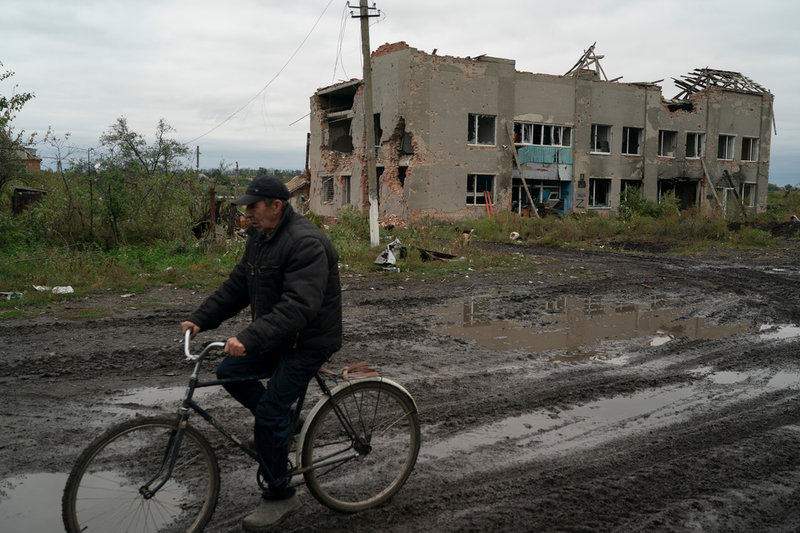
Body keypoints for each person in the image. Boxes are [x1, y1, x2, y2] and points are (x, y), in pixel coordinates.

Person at [181, 176, 342, 532]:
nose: (247, 213)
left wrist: (250, 338)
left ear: (276, 206)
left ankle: (281, 495)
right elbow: (238, 286)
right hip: (280, 337)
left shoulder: (307, 242)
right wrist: (200, 319)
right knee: (228, 372)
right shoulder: (260, 239)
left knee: (268, 414)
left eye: (253, 206)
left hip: (309, 341)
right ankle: (287, 422)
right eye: (246, 207)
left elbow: (300, 306)